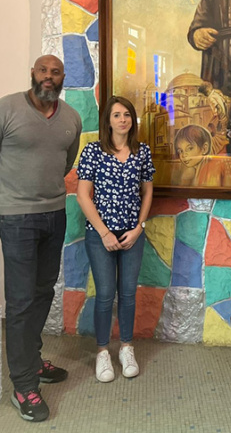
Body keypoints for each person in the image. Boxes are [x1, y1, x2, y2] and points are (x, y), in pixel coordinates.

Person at [0, 55, 82, 422]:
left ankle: (32, 360)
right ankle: (24, 384)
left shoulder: (71, 118)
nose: (49, 77)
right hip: (17, 220)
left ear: (62, 78)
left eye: (55, 72)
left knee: (43, 292)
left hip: (54, 216)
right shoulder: (3, 111)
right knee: (22, 300)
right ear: (32, 74)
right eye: (43, 70)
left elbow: (65, 163)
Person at [76, 96, 154, 383]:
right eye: (117, 115)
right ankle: (102, 353)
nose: (123, 119)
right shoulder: (93, 152)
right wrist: (104, 233)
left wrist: (139, 227)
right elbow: (83, 195)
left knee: (129, 293)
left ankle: (126, 348)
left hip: (133, 235)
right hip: (100, 236)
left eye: (127, 115)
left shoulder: (141, 151)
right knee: (105, 294)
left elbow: (147, 192)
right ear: (107, 121)